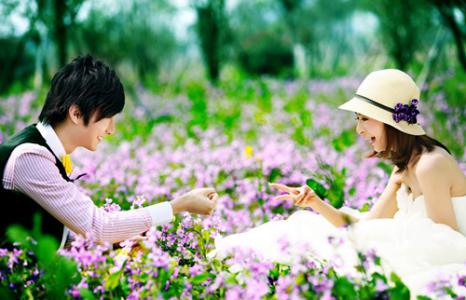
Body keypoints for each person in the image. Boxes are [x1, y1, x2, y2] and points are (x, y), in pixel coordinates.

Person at [214, 69, 466, 295]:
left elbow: (447, 241)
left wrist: (392, 242)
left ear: (392, 121)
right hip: (414, 250)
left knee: (336, 256)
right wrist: (315, 202)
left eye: (365, 118)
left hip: (432, 258)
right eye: (358, 119)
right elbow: (364, 226)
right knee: (303, 230)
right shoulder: (403, 169)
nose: (359, 130)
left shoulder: (430, 165)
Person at [0, 55, 218, 249]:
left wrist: (111, 244)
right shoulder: (29, 157)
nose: (111, 129)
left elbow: (64, 230)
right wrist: (178, 205)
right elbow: (98, 227)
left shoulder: (44, 151)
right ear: (76, 113)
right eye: (107, 118)